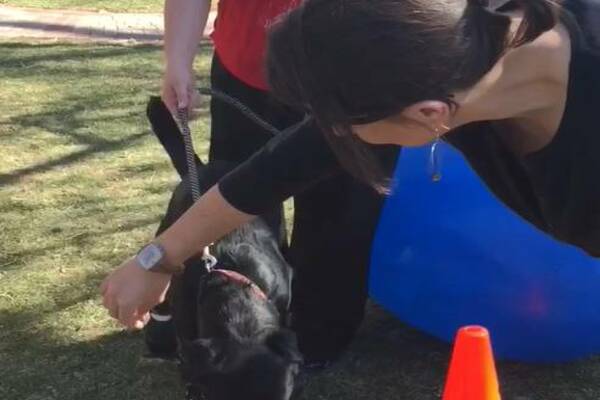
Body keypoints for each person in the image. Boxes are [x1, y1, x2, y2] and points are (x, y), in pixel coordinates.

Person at [101, 0, 399, 366]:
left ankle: (315, 342)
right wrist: (177, 61)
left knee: (340, 223)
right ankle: (231, 331)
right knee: (237, 225)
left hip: (363, 84)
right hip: (248, 73)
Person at [264, 0, 600, 255]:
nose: (333, 133)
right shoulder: (453, 53)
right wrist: (207, 228)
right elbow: (295, 158)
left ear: (428, 114)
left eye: (339, 125)